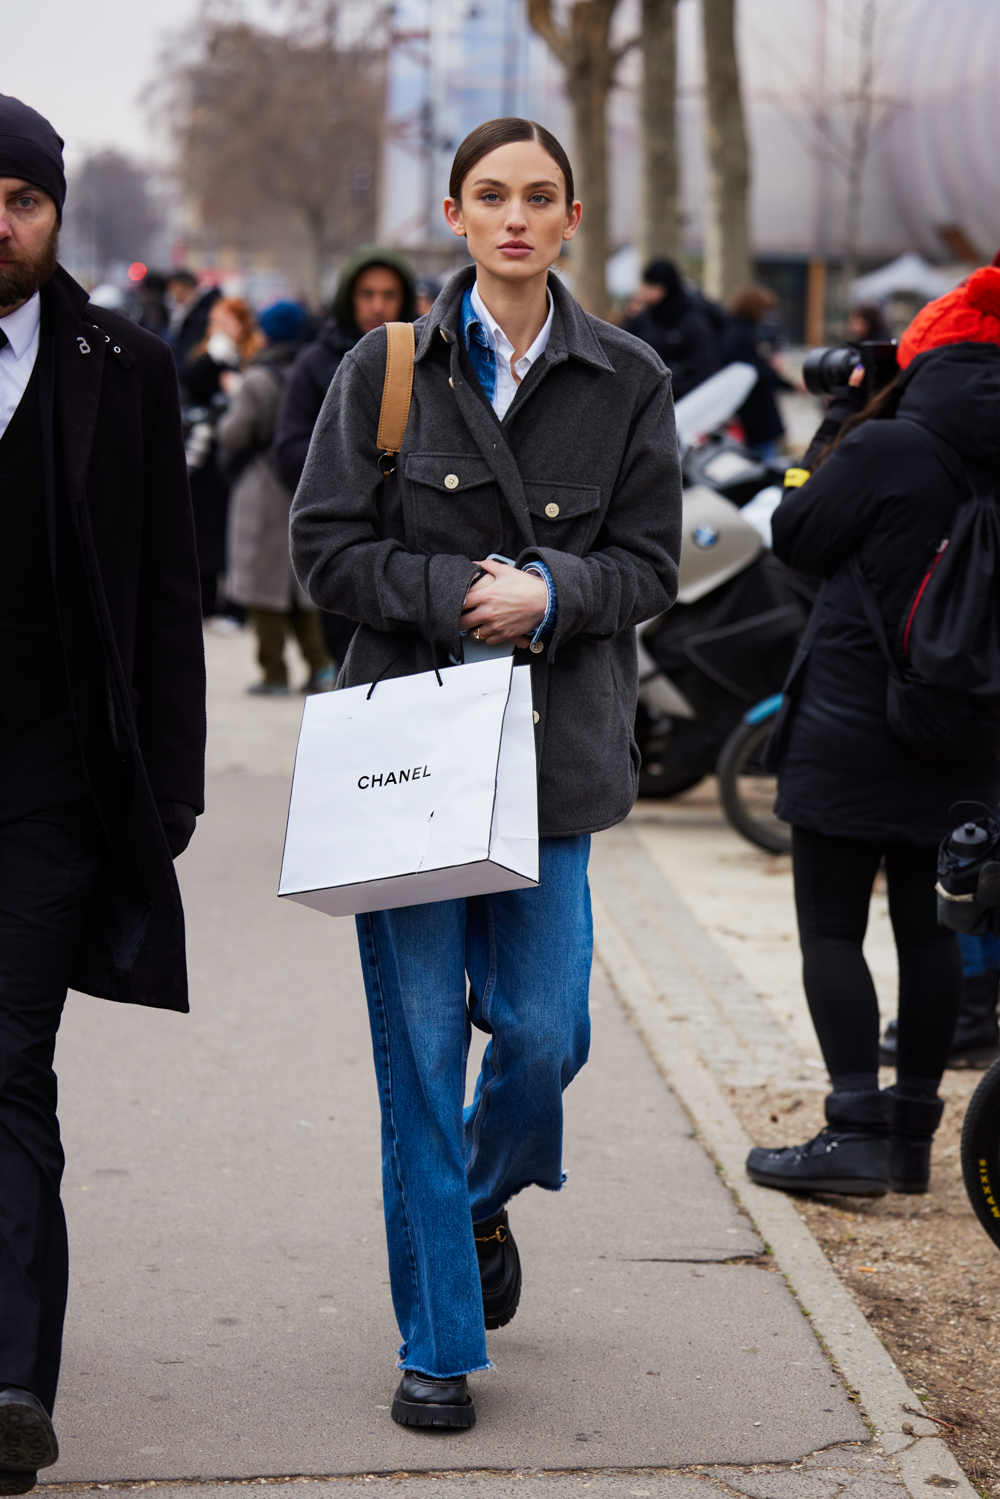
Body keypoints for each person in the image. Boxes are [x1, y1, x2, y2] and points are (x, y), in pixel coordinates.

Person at [290, 116, 681, 1430]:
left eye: (541, 196)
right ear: (455, 213)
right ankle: (439, 1347)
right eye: (492, 195)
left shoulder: (628, 375)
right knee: (416, 1061)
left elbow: (653, 568)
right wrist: (463, 593)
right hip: (409, 754)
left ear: (572, 219)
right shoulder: (386, 367)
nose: (516, 216)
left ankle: (474, 1200)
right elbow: (326, 548)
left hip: (555, 761)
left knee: (542, 1032)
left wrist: (555, 591)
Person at [0, 95, 205, 1493]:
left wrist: (170, 789)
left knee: (4, 1061)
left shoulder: (122, 365)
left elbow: (165, 593)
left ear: (56, 212)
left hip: (51, 783)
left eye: (19, 198)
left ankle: (13, 1378)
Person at [746, 266, 1000, 1200]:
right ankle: (909, 1143)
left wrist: (830, 428)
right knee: (931, 936)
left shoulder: (887, 444)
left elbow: (796, 536)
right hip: (971, 731)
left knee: (832, 929)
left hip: (854, 722)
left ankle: (852, 1129)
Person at [274, 246, 416, 668]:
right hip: (349, 547)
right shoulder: (315, 363)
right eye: (366, 293)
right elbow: (288, 449)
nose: (377, 305)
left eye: (389, 295)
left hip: (413, 555)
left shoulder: (426, 359)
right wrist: (357, 466)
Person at [217, 299, 333, 695]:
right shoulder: (313, 372)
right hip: (305, 482)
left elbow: (234, 434)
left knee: (260, 585)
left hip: (262, 487)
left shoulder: (258, 379)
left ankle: (274, 672)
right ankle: (320, 667)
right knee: (301, 589)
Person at [183, 297, 261, 618]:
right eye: (217, 320)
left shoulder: (251, 356)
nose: (221, 326)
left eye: (227, 320)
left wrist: (240, 390)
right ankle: (206, 602)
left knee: (235, 531)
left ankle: (236, 606)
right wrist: (216, 356)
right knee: (205, 530)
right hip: (206, 457)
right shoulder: (210, 354)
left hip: (240, 456)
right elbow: (189, 384)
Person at [622, 257, 718, 398]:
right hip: (647, 395)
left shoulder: (692, 321)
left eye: (652, 286)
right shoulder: (645, 317)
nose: (645, 291)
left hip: (681, 398)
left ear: (666, 288)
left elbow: (705, 367)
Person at [720, 284, 794, 461]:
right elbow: (757, 371)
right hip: (755, 416)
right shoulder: (742, 335)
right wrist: (786, 383)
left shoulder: (738, 331)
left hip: (752, 414)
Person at [166, 268, 221, 380]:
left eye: (174, 290)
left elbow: (192, 347)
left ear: (184, 287)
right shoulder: (193, 309)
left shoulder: (202, 311)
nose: (173, 295)